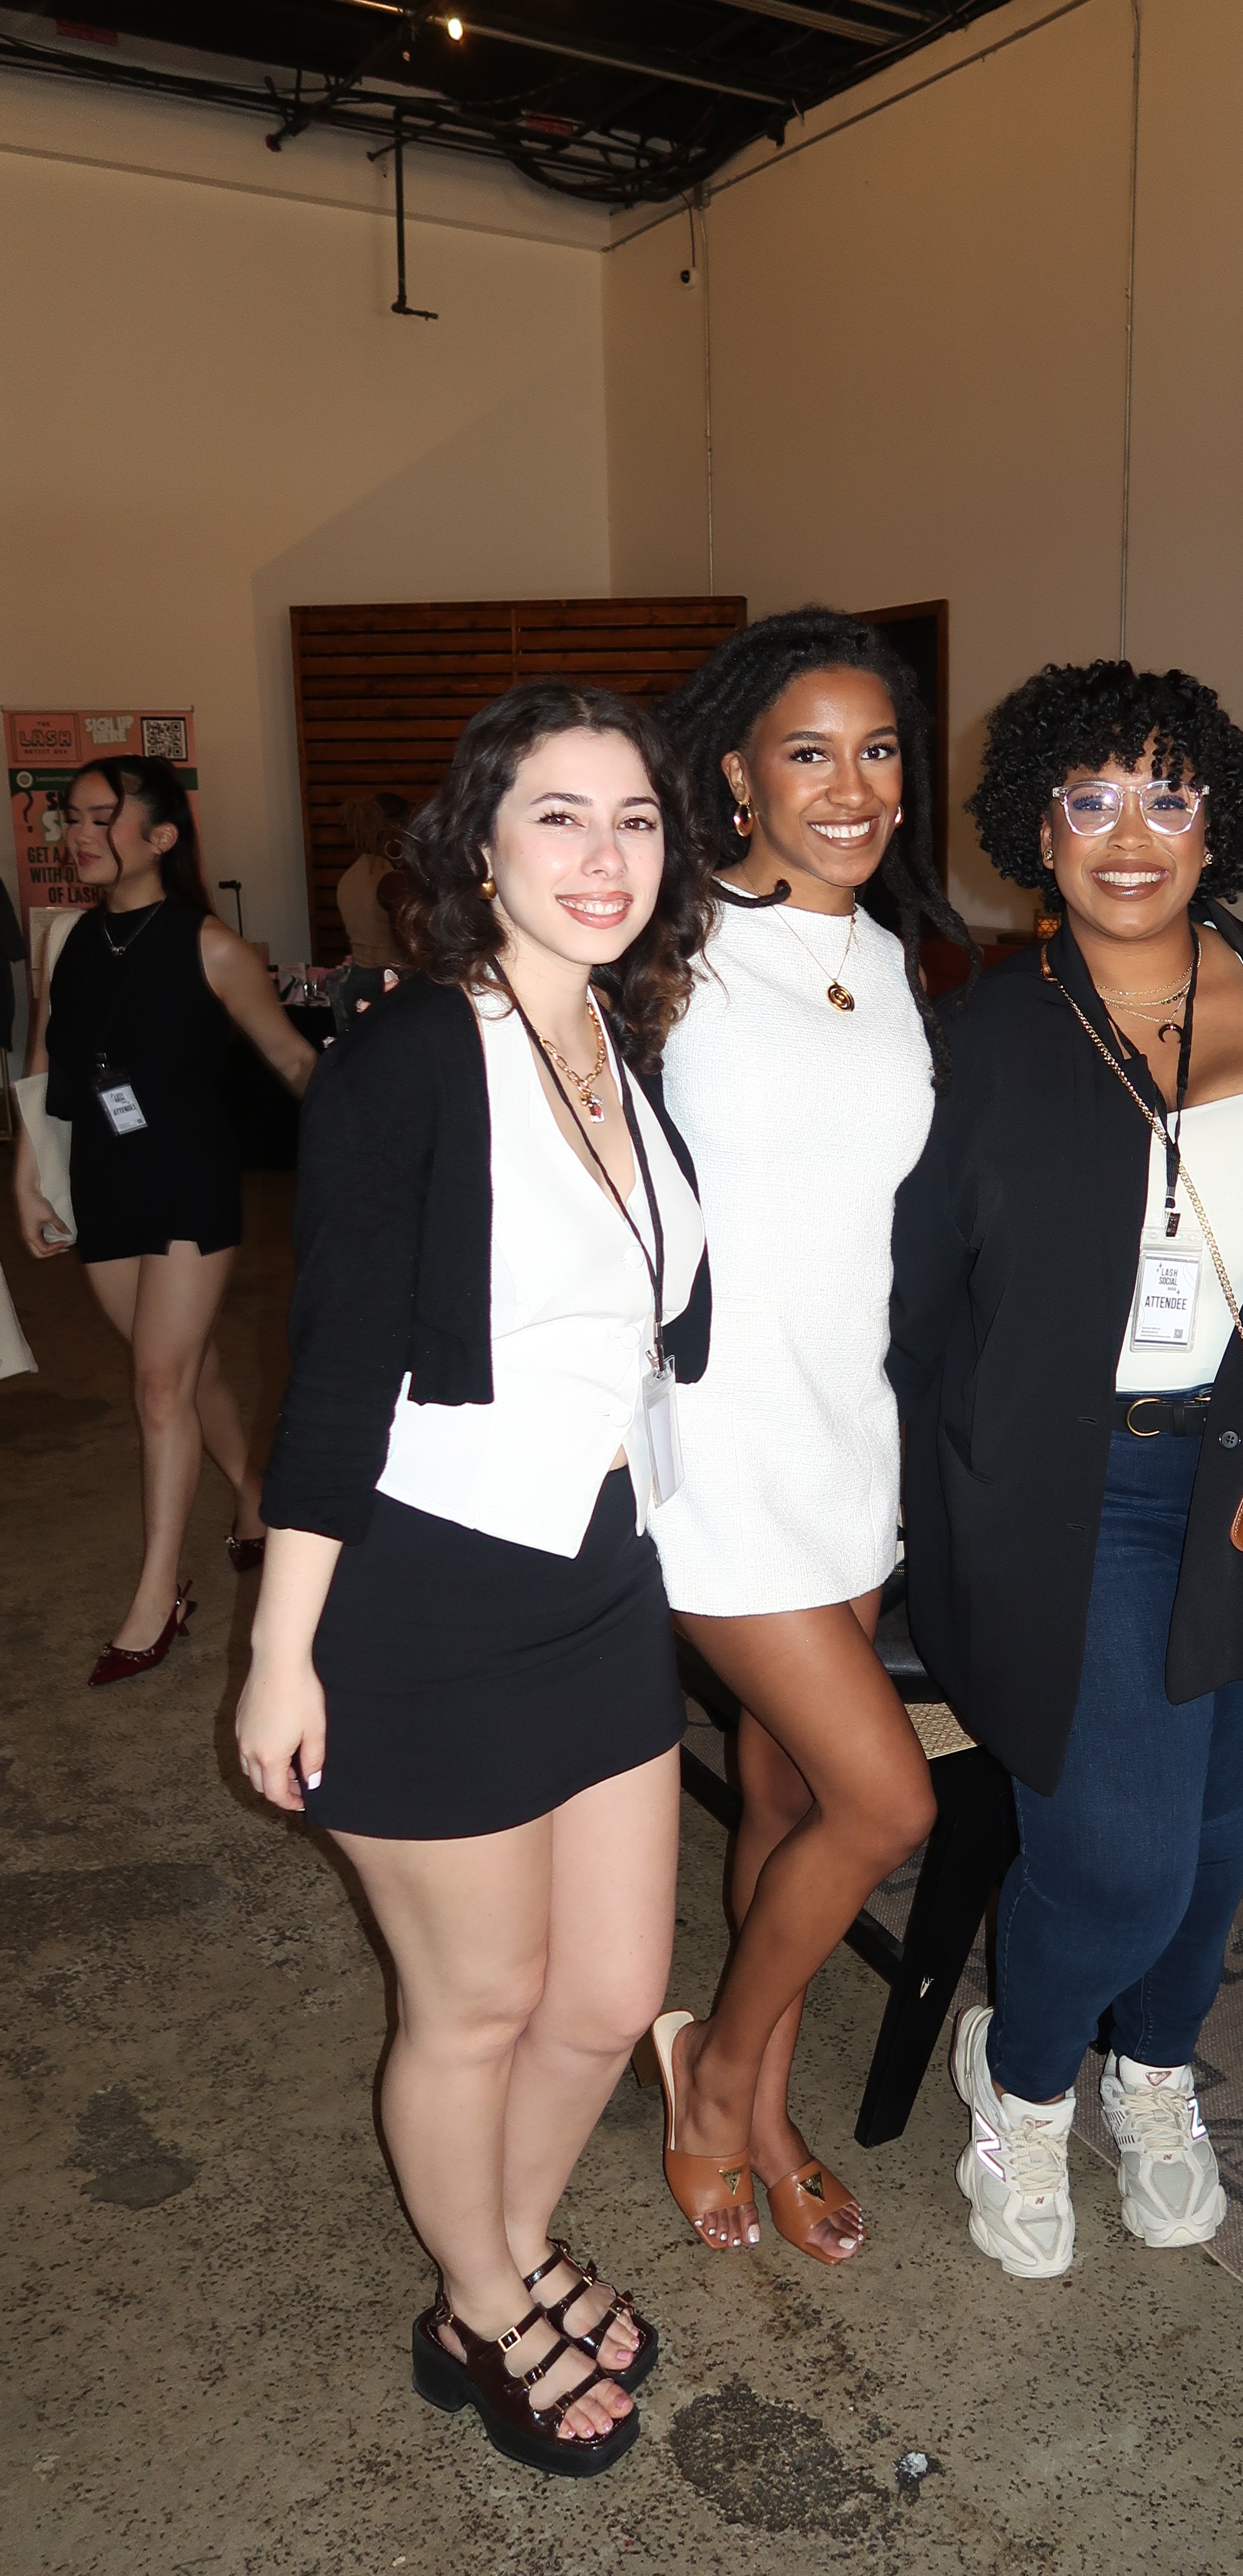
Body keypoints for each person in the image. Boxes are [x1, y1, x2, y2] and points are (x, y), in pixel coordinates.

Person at [236, 681, 713, 2476]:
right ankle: (495, 2290)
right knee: (476, 2004)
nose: (605, 856)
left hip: (598, 1569)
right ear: (479, 844)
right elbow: (340, 1362)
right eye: (560, 815)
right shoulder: (415, 1049)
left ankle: (482, 2268)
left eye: (637, 819)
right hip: (422, 1594)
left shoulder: (621, 1033)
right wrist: (283, 1654)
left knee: (603, 1997)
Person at [889, 658, 1243, 2281]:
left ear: (1217, 817)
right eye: (1088, 796)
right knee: (1115, 1851)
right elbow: (909, 1299)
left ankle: (1153, 2071)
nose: (1127, 832)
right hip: (1073, 1491)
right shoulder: (976, 1039)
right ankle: (1023, 2076)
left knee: (1225, 1818)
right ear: (1035, 821)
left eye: (1166, 795)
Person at [646, 607, 975, 2264]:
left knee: (781, 1805)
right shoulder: (668, 941)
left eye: (879, 748)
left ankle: (763, 2109)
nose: (851, 785)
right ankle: (710, 2085)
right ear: (733, 772)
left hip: (853, 1438)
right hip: (714, 1446)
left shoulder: (897, 957)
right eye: (807, 750)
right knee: (884, 1803)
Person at [12, 757, 316, 1684]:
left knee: (157, 1386)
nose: (80, 832)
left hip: (188, 1185)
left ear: (161, 835)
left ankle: (158, 1594)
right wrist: (27, 1178)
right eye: (72, 816)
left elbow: (292, 1061)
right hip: (103, 1182)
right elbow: (44, 1069)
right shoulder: (63, 939)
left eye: (102, 815)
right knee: (190, 1369)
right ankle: (255, 1500)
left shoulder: (213, 945)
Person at [329, 790, 411, 1035]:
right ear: (395, 829)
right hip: (388, 982)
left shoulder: (349, 877)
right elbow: (410, 944)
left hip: (357, 980)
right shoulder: (390, 879)